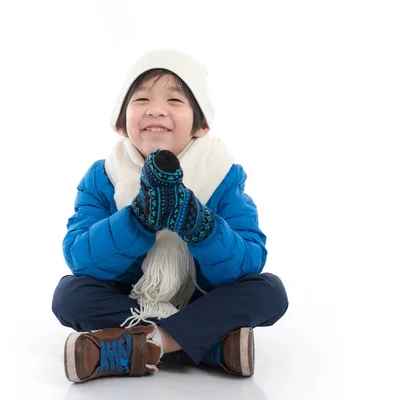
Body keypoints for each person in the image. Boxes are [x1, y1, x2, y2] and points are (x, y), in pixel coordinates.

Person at [52, 49, 289, 383]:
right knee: (69, 296)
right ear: (121, 123)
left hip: (200, 295)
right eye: (142, 99)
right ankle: (211, 346)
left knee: (270, 291)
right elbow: (79, 256)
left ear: (200, 124)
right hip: (132, 296)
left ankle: (145, 345)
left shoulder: (222, 174)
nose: (157, 109)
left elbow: (249, 259)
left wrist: (200, 226)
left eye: (175, 101)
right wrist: (138, 220)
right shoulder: (103, 176)